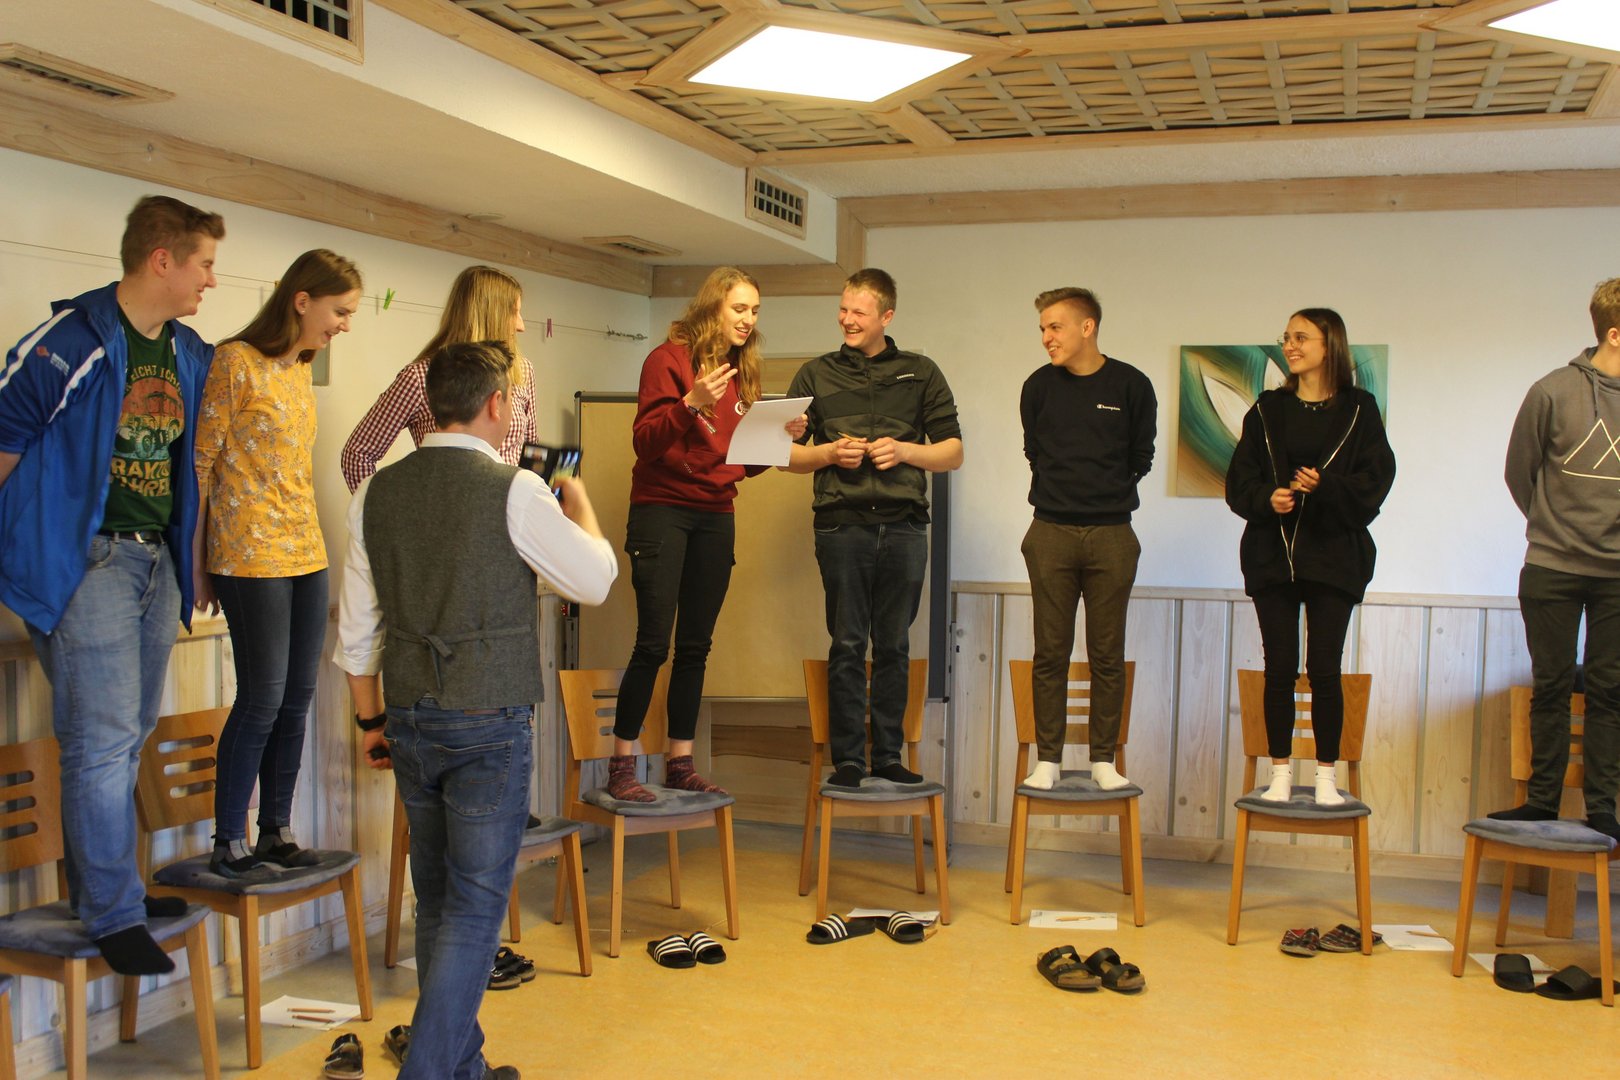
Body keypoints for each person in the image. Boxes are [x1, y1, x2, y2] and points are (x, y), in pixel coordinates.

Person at [335, 340, 616, 1080]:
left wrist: (370, 722)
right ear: (496, 404)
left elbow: (357, 633)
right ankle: (431, 1071)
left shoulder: (374, 494)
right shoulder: (515, 490)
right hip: (489, 718)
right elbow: (595, 581)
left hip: (407, 713)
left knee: (436, 898)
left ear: (431, 405)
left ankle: (462, 1066)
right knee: (475, 907)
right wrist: (579, 502)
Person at [0, 194, 224, 975]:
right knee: (99, 742)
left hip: (156, 562)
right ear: (162, 260)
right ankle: (111, 912)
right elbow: (4, 443)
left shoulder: (188, 352)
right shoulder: (70, 341)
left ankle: (113, 891)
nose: (211, 280)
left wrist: (196, 560)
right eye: (204, 264)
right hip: (86, 562)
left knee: (125, 735)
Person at [193, 249, 363, 881]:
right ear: (302, 300)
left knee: (297, 698)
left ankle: (276, 831)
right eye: (340, 310)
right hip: (247, 554)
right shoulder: (234, 362)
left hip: (305, 552)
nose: (344, 324)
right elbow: (201, 465)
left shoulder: (301, 369)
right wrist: (197, 562)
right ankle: (228, 841)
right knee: (261, 696)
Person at [608, 266, 804, 801]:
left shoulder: (742, 370)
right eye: (739, 308)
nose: (748, 319)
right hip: (662, 510)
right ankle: (622, 766)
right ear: (712, 307)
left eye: (755, 310)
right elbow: (646, 442)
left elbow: (742, 461)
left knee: (695, 646)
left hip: (716, 513)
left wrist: (778, 436)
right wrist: (690, 402)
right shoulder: (666, 360)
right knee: (653, 643)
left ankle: (680, 762)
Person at [785, 268, 962, 788]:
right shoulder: (815, 374)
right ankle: (848, 761)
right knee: (846, 643)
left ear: (886, 316)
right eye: (843, 310)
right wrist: (826, 453)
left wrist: (905, 451)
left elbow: (952, 452)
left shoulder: (921, 372)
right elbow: (783, 455)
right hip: (841, 528)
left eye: (858, 312)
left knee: (894, 645)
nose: (847, 319)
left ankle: (886, 755)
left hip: (904, 528)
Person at [1225, 308, 1395, 805]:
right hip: (1272, 557)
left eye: (1301, 337)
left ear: (1329, 345)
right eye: (1286, 337)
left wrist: (1326, 486)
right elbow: (1239, 481)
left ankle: (1325, 778)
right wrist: (1268, 499)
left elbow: (1376, 480)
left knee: (1324, 668)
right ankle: (1279, 774)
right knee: (1278, 668)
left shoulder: (1360, 409)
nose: (1290, 346)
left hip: (1334, 558)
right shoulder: (1266, 409)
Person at [1490, 278, 1620, 842]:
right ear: (1614, 333)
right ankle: (1541, 802)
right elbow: (1519, 473)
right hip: (1552, 567)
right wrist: (1551, 527)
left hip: (1618, 575)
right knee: (1552, 686)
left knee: (1610, 691)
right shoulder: (1551, 391)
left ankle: (1603, 809)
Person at [1019, 288, 1156, 792]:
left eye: (1054, 327)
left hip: (1113, 533)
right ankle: (1048, 759)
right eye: (1042, 329)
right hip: (1049, 531)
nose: (1046, 337)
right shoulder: (1037, 386)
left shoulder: (1132, 385)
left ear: (1087, 327)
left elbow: (1141, 456)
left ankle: (1103, 760)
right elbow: (1035, 451)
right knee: (1050, 653)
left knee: (1107, 654)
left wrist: (1104, 495)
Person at [339, 264, 535, 492]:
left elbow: (531, 451)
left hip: (509, 510)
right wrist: (386, 508)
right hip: (445, 511)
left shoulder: (521, 371)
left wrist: (536, 500)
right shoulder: (420, 377)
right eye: (514, 312)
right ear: (490, 316)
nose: (521, 325)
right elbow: (358, 454)